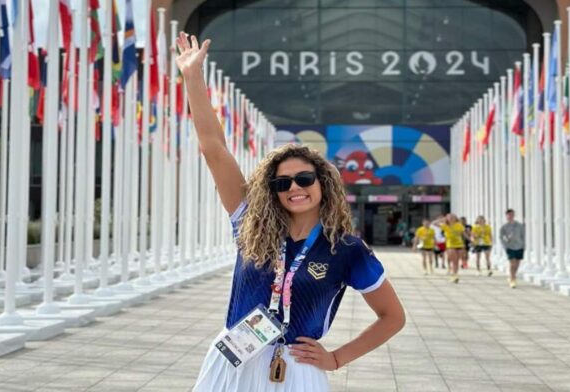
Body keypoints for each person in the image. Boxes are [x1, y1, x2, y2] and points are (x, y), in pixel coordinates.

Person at [176, 33, 406, 391]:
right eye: (283, 183)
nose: (294, 188)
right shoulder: (250, 223)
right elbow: (214, 149)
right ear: (273, 191)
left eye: (303, 178)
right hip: (231, 363)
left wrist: (336, 358)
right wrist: (192, 77)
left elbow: (392, 317)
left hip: (296, 371)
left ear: (322, 183)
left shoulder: (346, 249)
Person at [433, 214, 465, 283]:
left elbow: (463, 234)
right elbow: (433, 223)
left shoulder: (459, 225)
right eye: (449, 217)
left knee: (457, 261)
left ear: (455, 218)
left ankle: (455, 275)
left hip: (459, 244)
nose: (451, 218)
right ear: (447, 219)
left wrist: (470, 240)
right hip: (450, 245)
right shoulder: (445, 226)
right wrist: (441, 219)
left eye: (453, 217)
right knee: (453, 261)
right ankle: (453, 275)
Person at [500, 209, 525, 289]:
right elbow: (501, 237)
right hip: (510, 247)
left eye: (512, 214)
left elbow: (523, 236)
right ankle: (512, 279)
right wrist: (505, 244)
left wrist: (524, 246)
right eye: (509, 215)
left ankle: (512, 276)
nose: (511, 216)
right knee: (512, 263)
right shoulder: (504, 227)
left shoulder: (520, 225)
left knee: (517, 264)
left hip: (519, 246)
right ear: (506, 216)